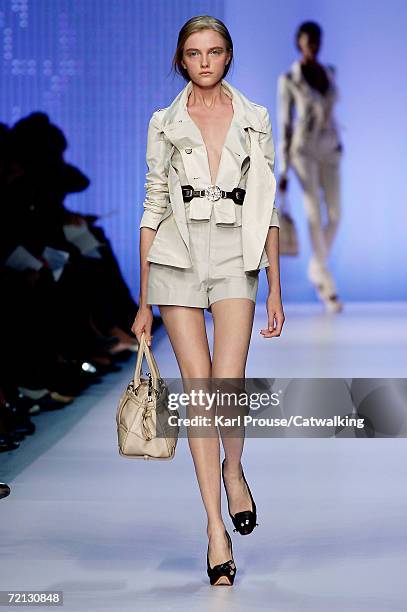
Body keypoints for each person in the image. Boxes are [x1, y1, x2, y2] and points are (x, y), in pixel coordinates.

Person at [131, 15, 284, 586]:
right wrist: (143, 299)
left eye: (214, 52)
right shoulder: (163, 124)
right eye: (194, 53)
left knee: (228, 384)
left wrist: (274, 285)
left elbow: (267, 204)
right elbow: (151, 207)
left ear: (228, 56)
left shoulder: (255, 119)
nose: (204, 62)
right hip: (177, 255)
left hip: (236, 257)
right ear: (181, 60)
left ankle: (235, 468)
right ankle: (216, 531)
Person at [277, 21, 344, 313]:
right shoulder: (289, 79)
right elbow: (284, 124)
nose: (311, 47)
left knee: (336, 214)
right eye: (307, 42)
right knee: (314, 215)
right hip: (303, 152)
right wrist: (282, 169)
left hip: (329, 150)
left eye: (315, 42)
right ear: (298, 44)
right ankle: (326, 286)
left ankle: (317, 267)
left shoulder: (329, 73)